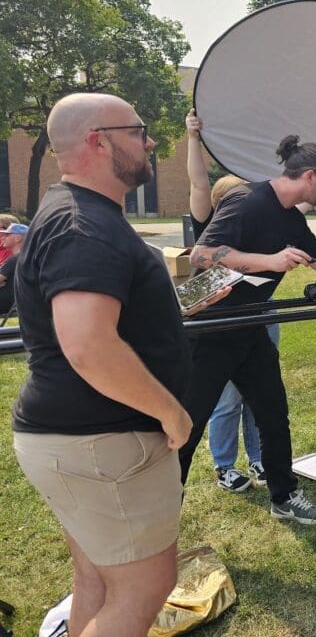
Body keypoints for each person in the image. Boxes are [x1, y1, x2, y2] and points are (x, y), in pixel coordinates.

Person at [11, 93, 226, 635]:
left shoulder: (79, 215)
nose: (150, 141)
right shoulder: (85, 227)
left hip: (79, 442)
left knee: (98, 583)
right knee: (144, 588)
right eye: (138, 130)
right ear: (99, 140)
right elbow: (88, 346)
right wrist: (172, 413)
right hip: (102, 445)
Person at [179, 134, 316, 524]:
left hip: (251, 326)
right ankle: (161, 510)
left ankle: (284, 494)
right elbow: (202, 254)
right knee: (188, 424)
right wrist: (269, 261)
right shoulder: (248, 200)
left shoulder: (291, 218)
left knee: (273, 414)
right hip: (210, 327)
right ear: (309, 175)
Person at [186, 109, 268, 493]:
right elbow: (198, 182)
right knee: (227, 399)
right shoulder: (211, 220)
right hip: (222, 318)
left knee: (259, 396)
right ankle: (224, 465)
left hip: (259, 314)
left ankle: (260, 458)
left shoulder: (260, 218)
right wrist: (193, 139)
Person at [0, 222, 28, 315]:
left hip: (5, 303)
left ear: (17, 238)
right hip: (15, 303)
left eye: (7, 235)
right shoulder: (26, 257)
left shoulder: (15, 259)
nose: (3, 237)